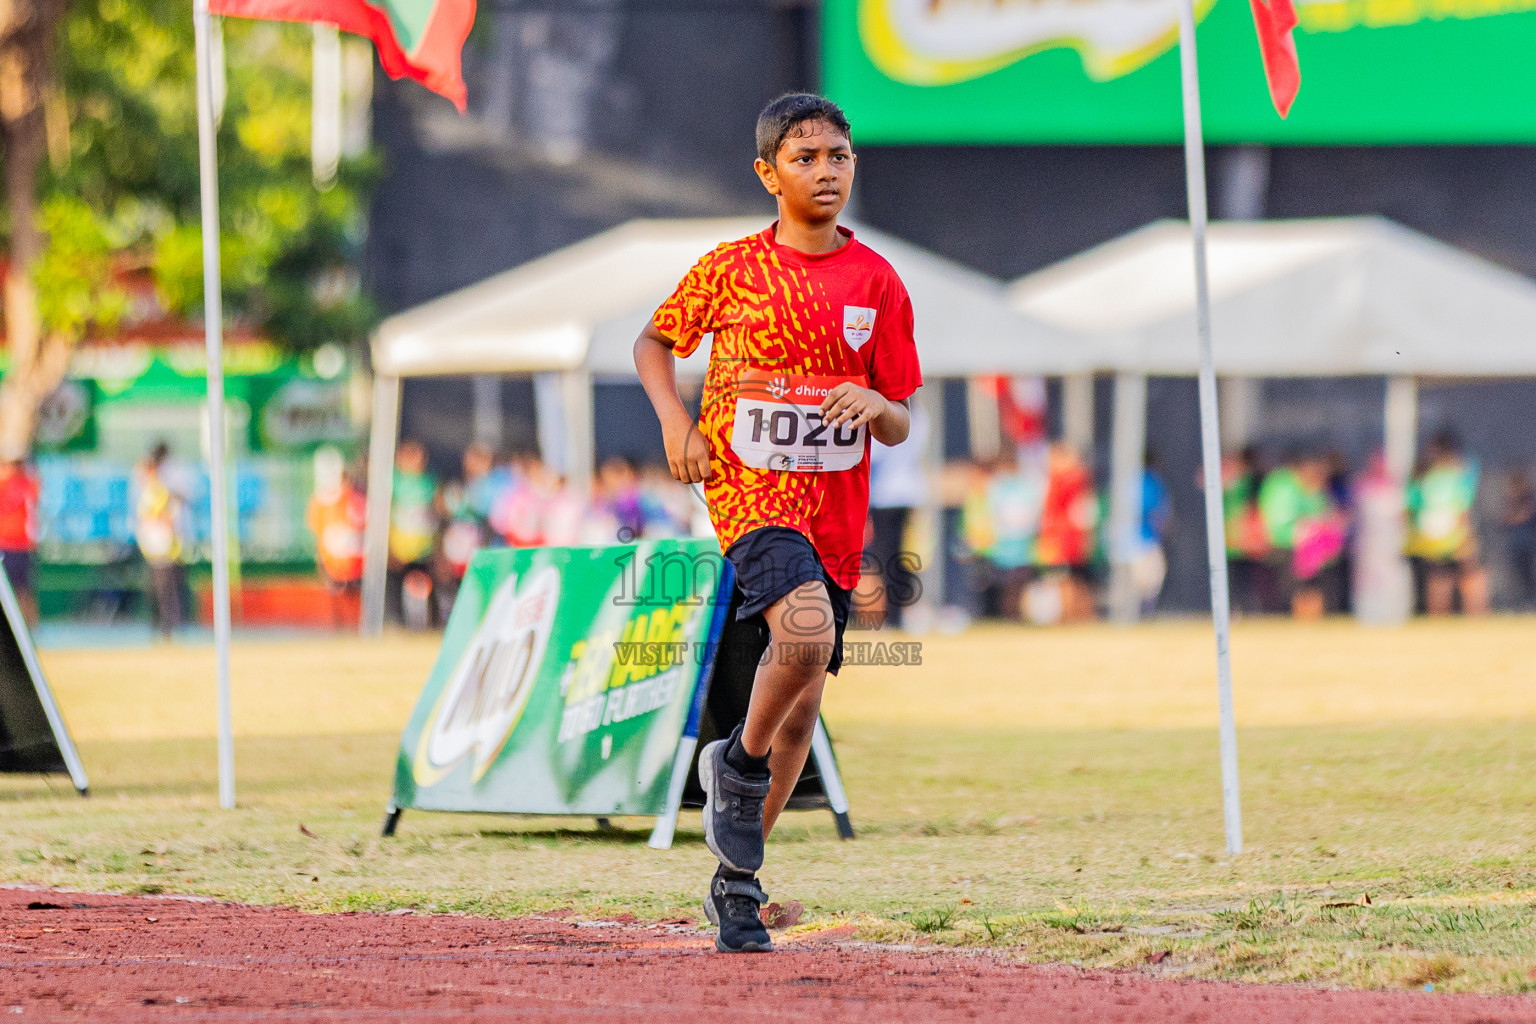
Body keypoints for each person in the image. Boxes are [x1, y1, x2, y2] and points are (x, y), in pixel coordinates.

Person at [633, 93, 920, 953]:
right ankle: (738, 765)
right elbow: (653, 342)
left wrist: (876, 403)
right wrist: (675, 426)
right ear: (768, 174)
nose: (825, 170)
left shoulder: (878, 281)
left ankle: (738, 884)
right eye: (805, 157)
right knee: (799, 635)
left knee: (803, 704)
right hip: (749, 490)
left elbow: (902, 413)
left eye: (838, 155)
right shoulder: (731, 269)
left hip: (836, 507)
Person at [1406, 432, 1485, 616]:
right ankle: (1477, 620)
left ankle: (1441, 623)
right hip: (1453, 537)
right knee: (1467, 579)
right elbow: (1462, 509)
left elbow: (1412, 508)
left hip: (1435, 539)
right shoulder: (1457, 474)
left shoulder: (1426, 477)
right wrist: (1467, 536)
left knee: (1442, 580)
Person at [865, 403, 927, 628]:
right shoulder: (920, 419)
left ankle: (893, 614)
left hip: (885, 494)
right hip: (909, 491)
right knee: (899, 555)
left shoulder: (888, 418)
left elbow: (875, 455)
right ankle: (900, 610)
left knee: (886, 556)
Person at [306, 447, 366, 629]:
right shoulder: (320, 500)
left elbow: (363, 522)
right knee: (336, 594)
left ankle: (356, 626)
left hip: (356, 561)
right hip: (333, 560)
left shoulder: (355, 498)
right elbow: (317, 528)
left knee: (355, 595)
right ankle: (339, 627)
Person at [134, 441, 186, 640]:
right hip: (152, 548)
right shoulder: (148, 493)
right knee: (155, 590)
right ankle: (159, 625)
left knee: (166, 591)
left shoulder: (161, 492)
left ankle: (169, 627)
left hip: (164, 549)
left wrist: (154, 520)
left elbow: (169, 516)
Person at [386, 439, 439, 629]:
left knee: (431, 588)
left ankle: (433, 624)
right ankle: (395, 624)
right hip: (399, 547)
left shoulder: (429, 482)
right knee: (394, 586)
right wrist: (389, 546)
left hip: (424, 547)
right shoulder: (392, 482)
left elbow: (436, 514)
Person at [0, 456, 41, 627]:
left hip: (21, 545)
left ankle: (29, 625)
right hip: (6, 544)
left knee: (23, 589)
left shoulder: (25, 484)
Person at [1501, 469, 1536, 609]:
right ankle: (1522, 603)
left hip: (1527, 545)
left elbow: (1520, 516)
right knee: (1518, 576)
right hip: (1515, 545)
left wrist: (1513, 517)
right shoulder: (1511, 501)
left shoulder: (1528, 498)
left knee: (1529, 575)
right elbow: (1505, 518)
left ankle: (1531, 601)